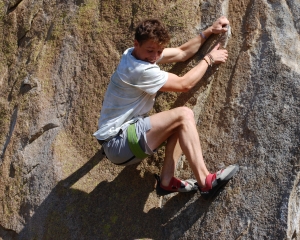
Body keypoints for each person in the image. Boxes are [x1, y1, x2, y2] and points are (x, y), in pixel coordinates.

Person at [93, 16, 239, 200]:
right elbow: (184, 84)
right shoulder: (138, 71)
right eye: (150, 50)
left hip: (123, 142)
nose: (155, 56)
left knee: (181, 125)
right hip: (118, 143)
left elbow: (181, 53)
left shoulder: (133, 53)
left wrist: (210, 31)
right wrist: (209, 59)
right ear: (136, 43)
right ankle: (206, 182)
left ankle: (167, 180)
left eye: (159, 51)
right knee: (184, 115)